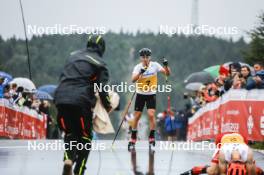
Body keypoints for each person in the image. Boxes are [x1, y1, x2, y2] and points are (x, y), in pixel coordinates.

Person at [54, 35, 112, 175]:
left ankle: (68, 159)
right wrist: (107, 105)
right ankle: (79, 170)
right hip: (80, 101)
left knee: (70, 132)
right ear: (101, 48)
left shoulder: (72, 57)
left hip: (60, 98)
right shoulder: (100, 63)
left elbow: (64, 77)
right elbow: (102, 88)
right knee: (86, 136)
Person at [128, 48, 171, 150]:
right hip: (140, 94)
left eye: (147, 57)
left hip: (151, 94)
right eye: (143, 57)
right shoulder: (138, 67)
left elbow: (167, 73)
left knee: (151, 115)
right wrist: (140, 73)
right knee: (137, 116)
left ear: (150, 57)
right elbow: (133, 80)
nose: (145, 59)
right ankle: (133, 137)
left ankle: (151, 137)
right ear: (140, 58)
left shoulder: (155, 65)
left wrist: (166, 65)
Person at [182, 132, 263, 175]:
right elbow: (222, 173)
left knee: (253, 171)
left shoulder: (247, 153)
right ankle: (195, 170)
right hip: (222, 140)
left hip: (240, 137)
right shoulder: (223, 152)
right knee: (213, 171)